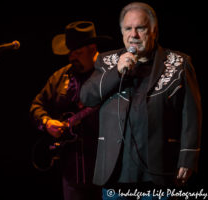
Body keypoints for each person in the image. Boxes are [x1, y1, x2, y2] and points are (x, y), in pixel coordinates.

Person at [80, 2, 202, 199]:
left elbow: (192, 116)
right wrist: (116, 72)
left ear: (154, 31)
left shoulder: (178, 63)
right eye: (128, 28)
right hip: (115, 175)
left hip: (158, 173)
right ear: (121, 32)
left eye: (141, 28)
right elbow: (87, 97)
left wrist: (188, 157)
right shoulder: (106, 61)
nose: (133, 35)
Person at [29, 21, 114, 200]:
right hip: (72, 175)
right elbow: (36, 106)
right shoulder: (60, 77)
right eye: (70, 52)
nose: (71, 57)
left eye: (78, 52)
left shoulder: (113, 75)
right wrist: (46, 123)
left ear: (92, 48)